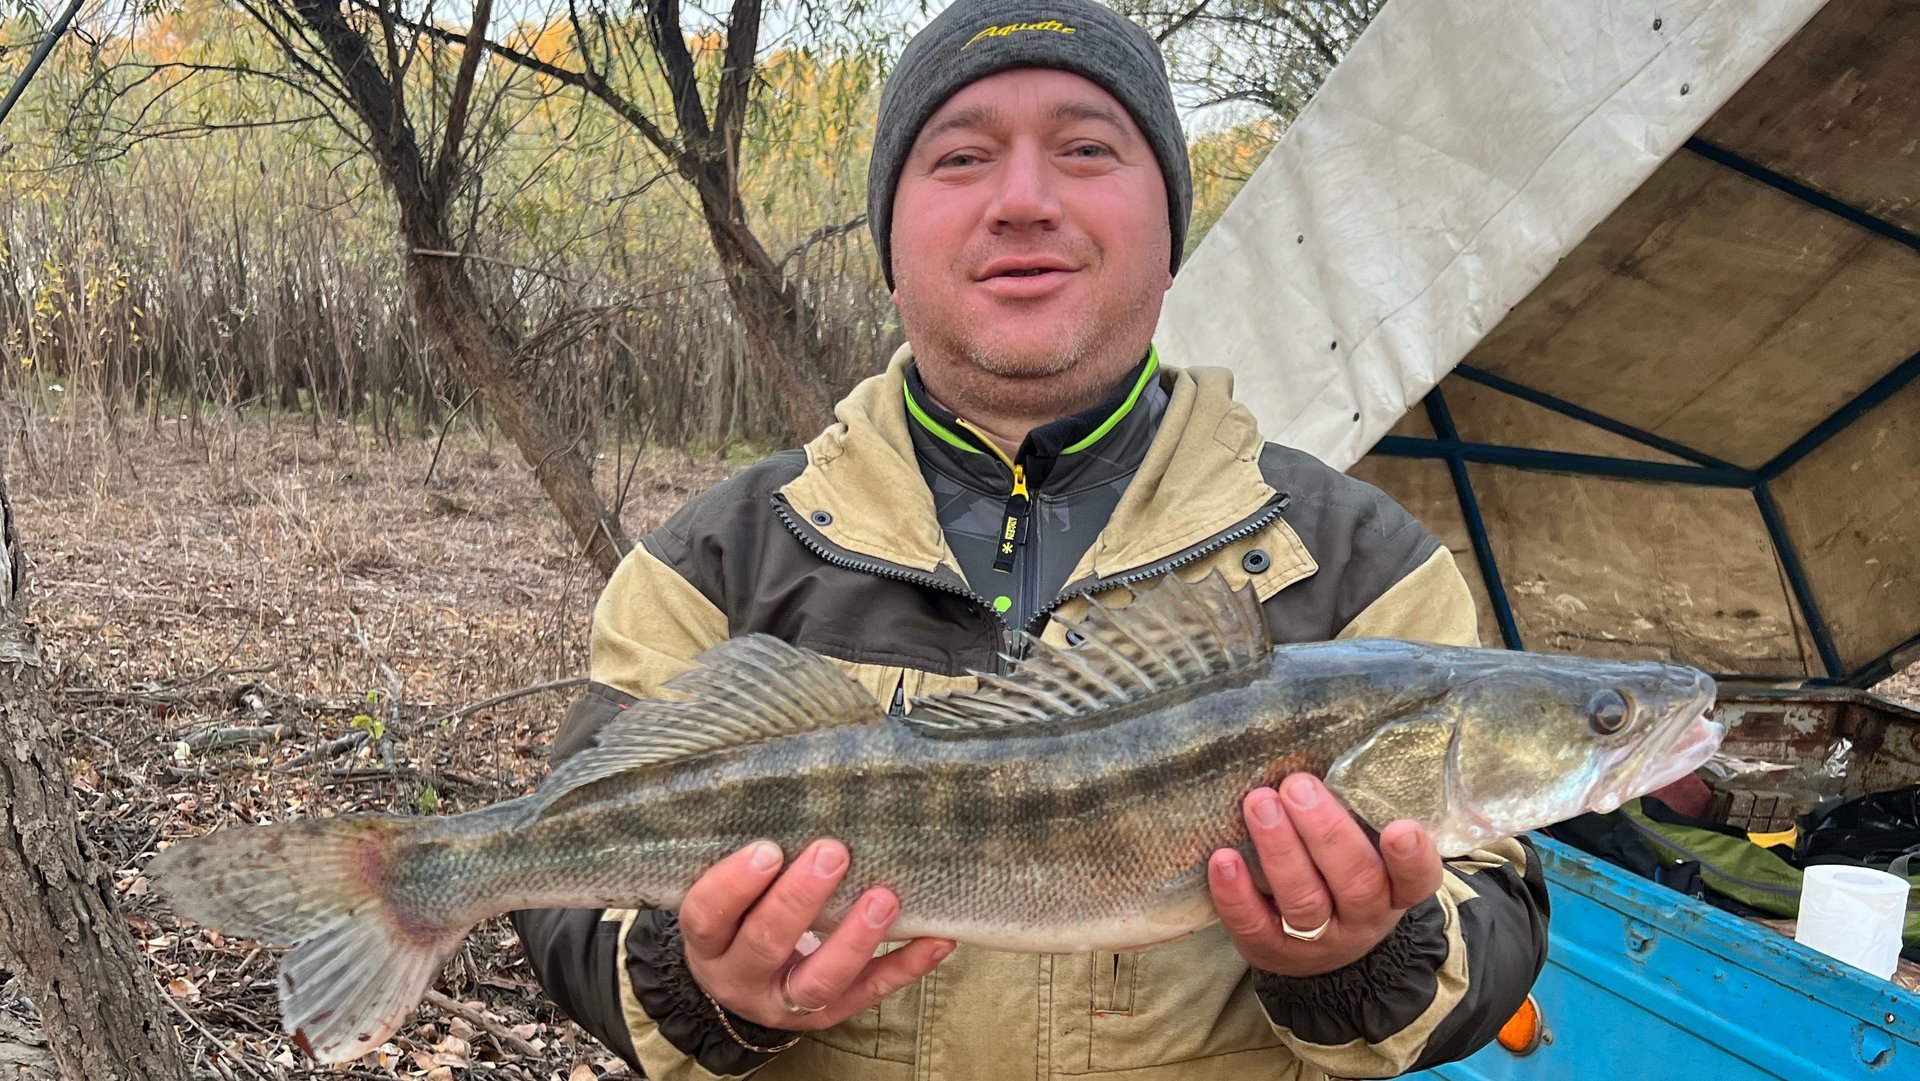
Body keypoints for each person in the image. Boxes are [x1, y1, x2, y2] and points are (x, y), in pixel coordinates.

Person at [510, 0, 1550, 1077]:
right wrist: (701, 982)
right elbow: (557, 871)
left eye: (1087, 149)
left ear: (1170, 234)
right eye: (960, 156)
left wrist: (1357, 960)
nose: (1022, 200)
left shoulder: (1364, 567)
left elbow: (1500, 913)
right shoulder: (718, 560)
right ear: (892, 241)